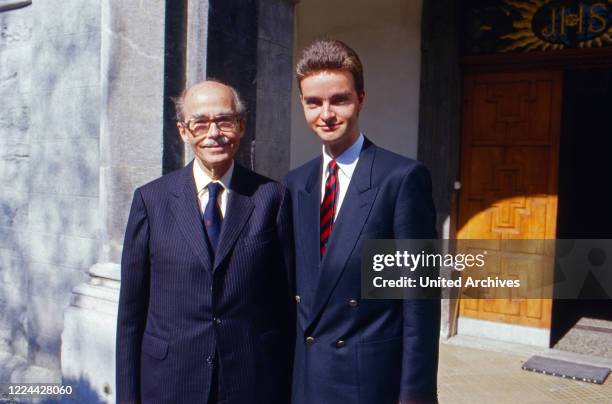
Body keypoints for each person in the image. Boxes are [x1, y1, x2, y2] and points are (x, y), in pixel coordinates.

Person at [116, 80, 294, 404]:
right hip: (170, 382)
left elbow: (285, 305)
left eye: (225, 120)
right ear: (184, 131)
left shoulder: (273, 198)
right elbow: (131, 313)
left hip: (250, 382)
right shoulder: (151, 201)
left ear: (240, 127)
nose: (214, 133)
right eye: (200, 123)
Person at [285, 39, 440, 404]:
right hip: (306, 380)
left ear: (361, 99)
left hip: (368, 381)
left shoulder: (401, 179)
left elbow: (420, 298)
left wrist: (415, 393)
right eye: (313, 102)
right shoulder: (296, 183)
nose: (326, 114)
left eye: (339, 99)